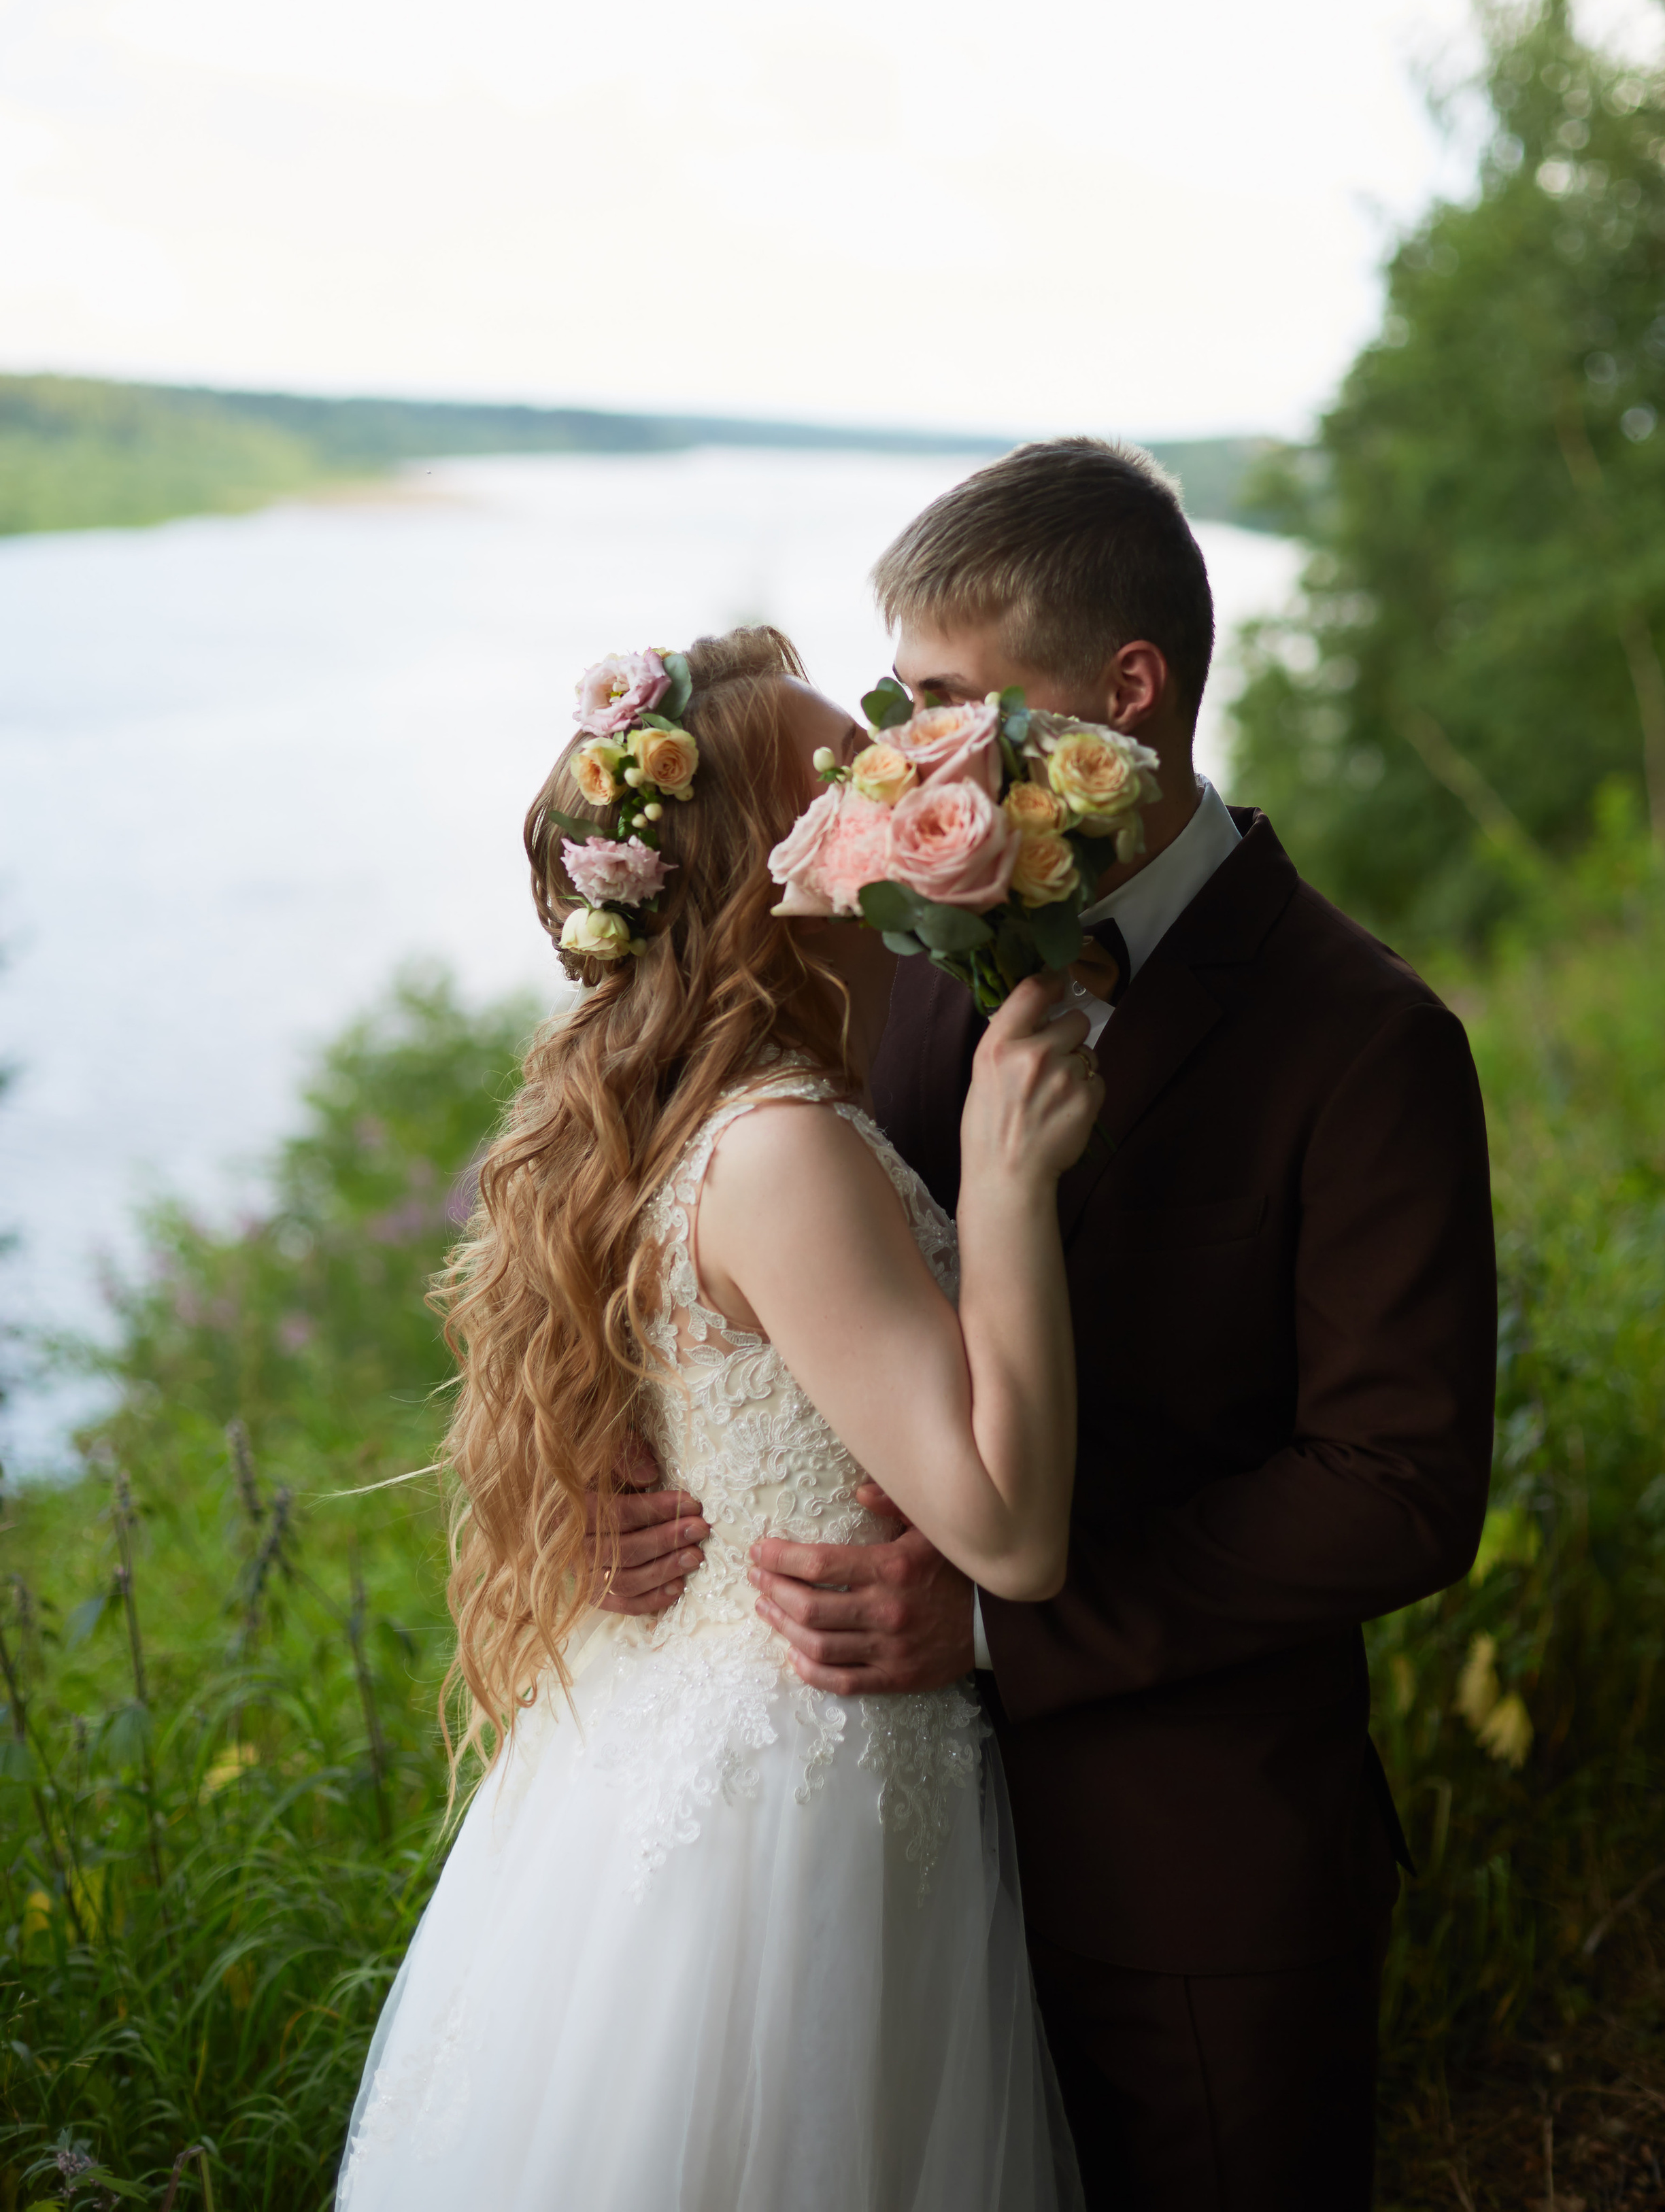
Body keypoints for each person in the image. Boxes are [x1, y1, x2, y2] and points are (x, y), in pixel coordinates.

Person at [723, 441, 1500, 2207]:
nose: (903, 752)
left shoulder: (1366, 1043)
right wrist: (642, 1476)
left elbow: (1397, 1488)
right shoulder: (904, 961)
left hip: (1191, 1885)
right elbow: (779, 1262)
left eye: (943, 700)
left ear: (1124, 695)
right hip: (879, 1869)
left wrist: (1003, 1632)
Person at [337, 624, 1095, 2212]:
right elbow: (1013, 1538)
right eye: (847, 779)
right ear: (770, 872)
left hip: (683, 1758)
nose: (892, 792)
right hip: (791, 1805)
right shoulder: (780, 1147)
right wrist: (1008, 1182)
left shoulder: (678, 1118)